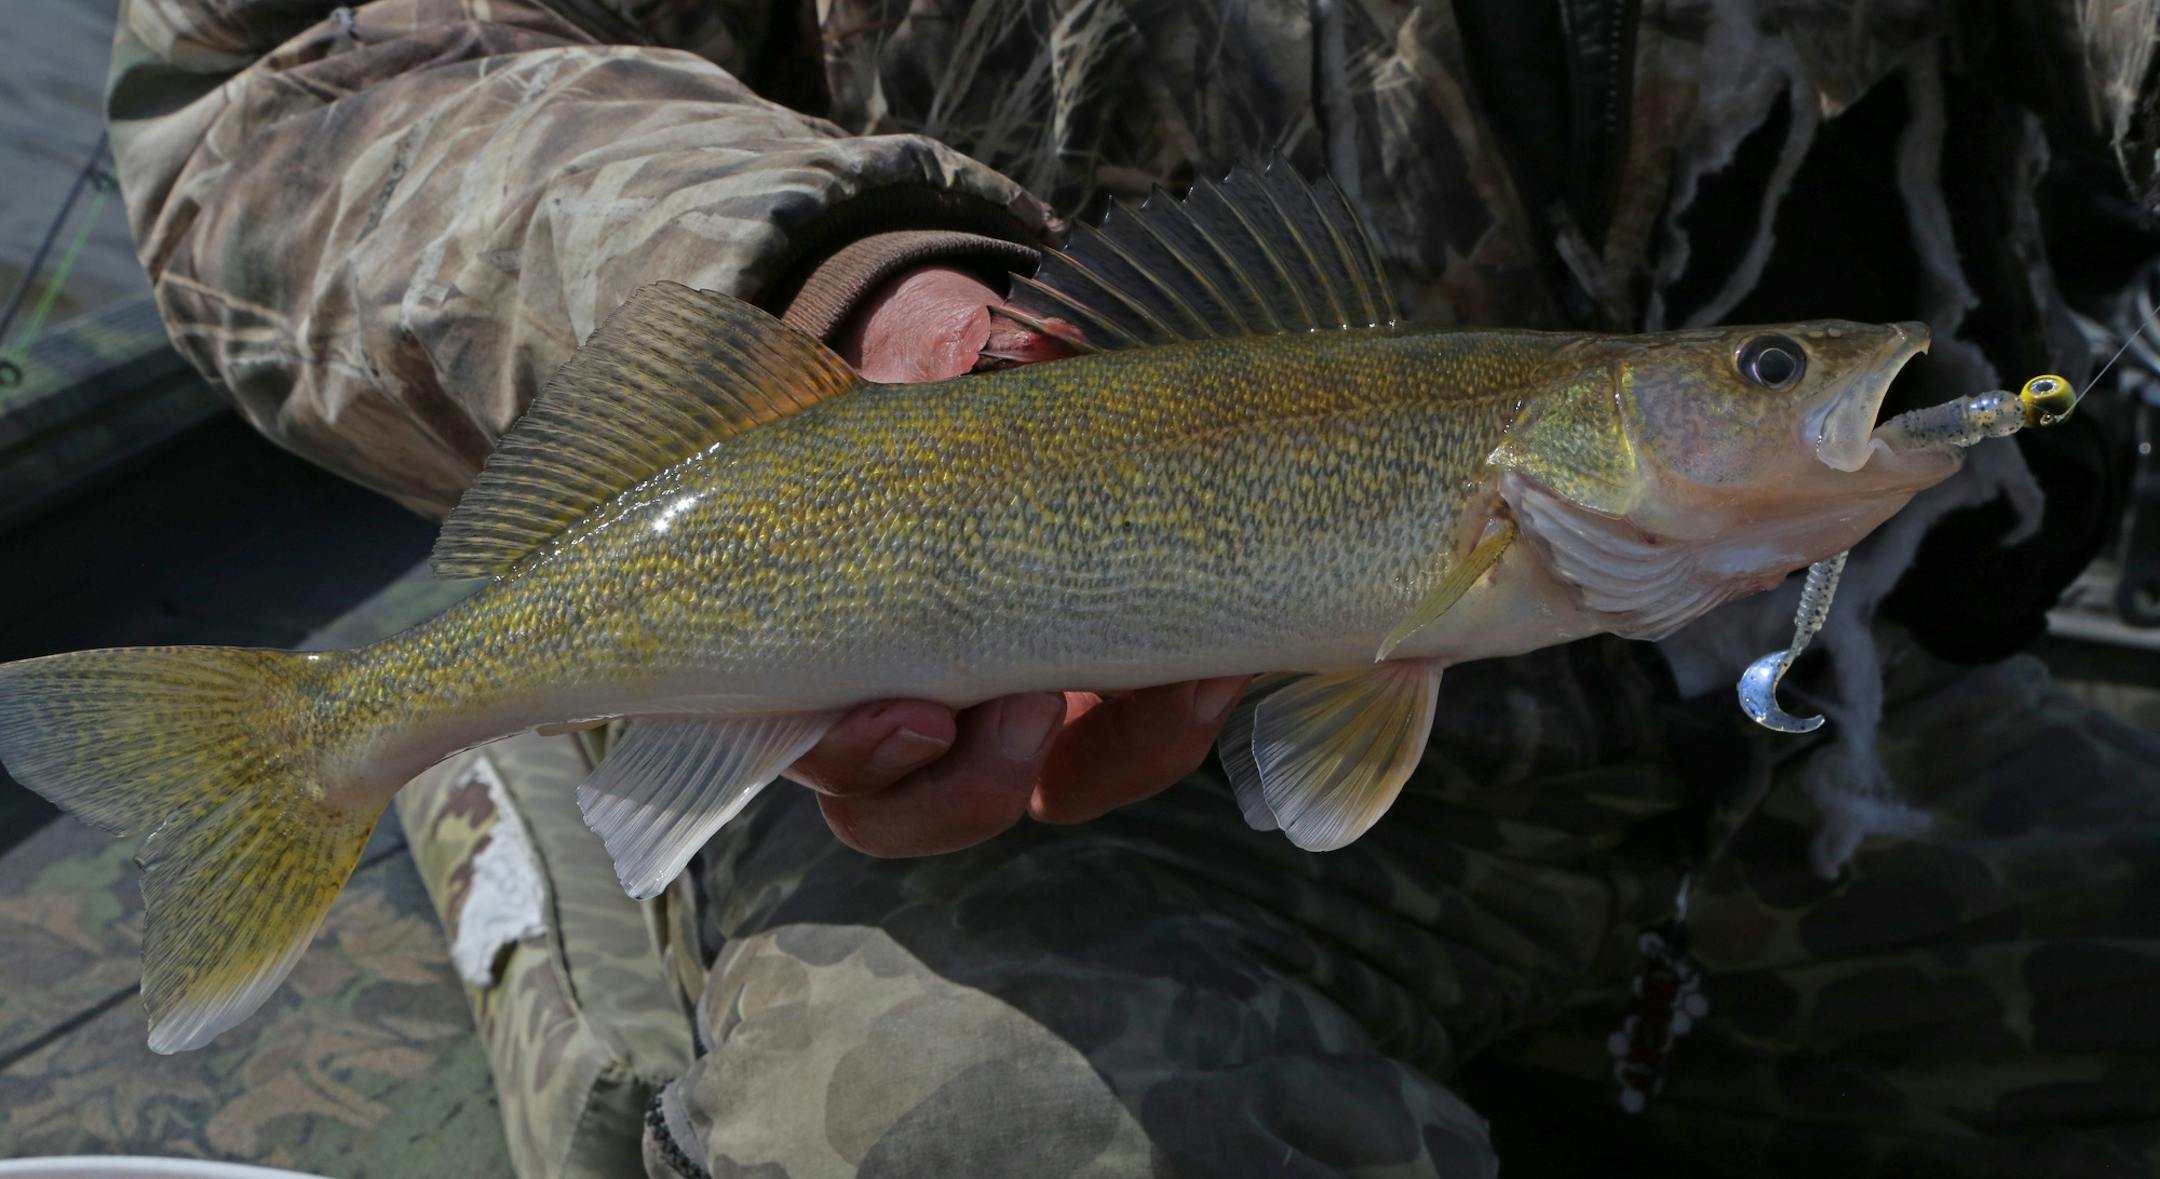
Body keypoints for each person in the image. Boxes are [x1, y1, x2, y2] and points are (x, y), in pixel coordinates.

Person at [104, 0, 2160, 1174]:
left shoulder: (1572, 522)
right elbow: (296, 66)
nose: (1802, 387)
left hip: (1826, 708)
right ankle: (529, 811)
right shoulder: (1494, 493)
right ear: (1568, 439)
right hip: (1053, 797)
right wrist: (841, 277)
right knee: (992, 1133)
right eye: (1765, 377)